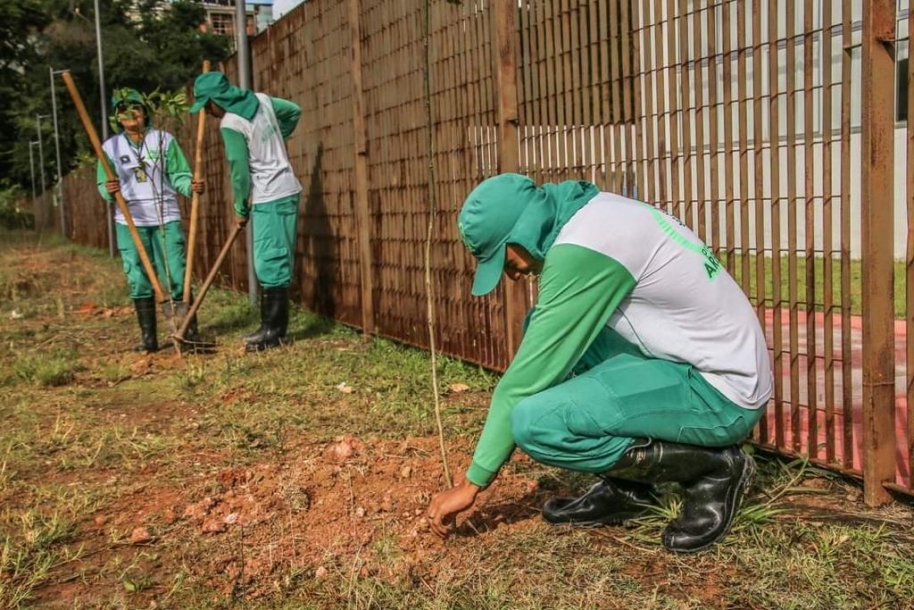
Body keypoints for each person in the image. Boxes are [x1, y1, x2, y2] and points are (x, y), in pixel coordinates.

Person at [426, 173, 773, 553]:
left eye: (504, 260)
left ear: (521, 233)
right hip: (694, 362)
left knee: (534, 422)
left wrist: (472, 484)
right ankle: (630, 490)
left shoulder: (585, 248)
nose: (511, 275)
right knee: (540, 330)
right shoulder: (594, 215)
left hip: (722, 394)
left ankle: (713, 469)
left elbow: (523, 384)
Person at [189, 72, 303, 352]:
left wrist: (240, 206)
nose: (208, 111)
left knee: (269, 261)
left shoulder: (231, 123)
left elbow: (239, 172)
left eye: (207, 105)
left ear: (217, 100)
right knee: (271, 259)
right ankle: (270, 328)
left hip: (270, 195)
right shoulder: (262, 100)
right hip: (285, 188)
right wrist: (273, 143)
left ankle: (273, 331)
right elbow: (293, 111)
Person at [97, 88, 205, 353]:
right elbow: (103, 183)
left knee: (177, 272)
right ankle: (149, 339)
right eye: (123, 110)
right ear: (116, 117)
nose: (131, 114)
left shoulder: (164, 141)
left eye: (135, 107)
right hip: (129, 219)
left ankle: (187, 333)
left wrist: (190, 186)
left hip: (165, 215)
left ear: (145, 112)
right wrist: (109, 190)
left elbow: (179, 174)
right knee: (138, 276)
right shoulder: (110, 147)